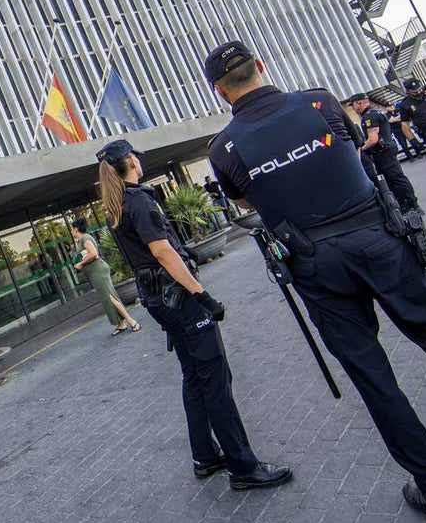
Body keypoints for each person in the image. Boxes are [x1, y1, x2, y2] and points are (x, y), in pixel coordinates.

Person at [204, 39, 426, 523]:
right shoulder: (319, 102)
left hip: (315, 264)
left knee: (376, 382)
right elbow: (350, 153)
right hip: (379, 239)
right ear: (261, 67)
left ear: (221, 91)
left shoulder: (222, 147)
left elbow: (247, 202)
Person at [96, 138, 293, 490]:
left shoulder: (118, 204)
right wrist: (202, 295)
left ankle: (205, 455)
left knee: (194, 376)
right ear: (129, 161)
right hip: (179, 299)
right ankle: (243, 466)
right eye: (136, 155)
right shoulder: (139, 201)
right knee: (215, 378)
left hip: (158, 300)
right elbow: (163, 252)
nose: (140, 159)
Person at [348, 92, 420, 211]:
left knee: (396, 178)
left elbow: (373, 139)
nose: (354, 108)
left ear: (359, 103)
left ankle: (412, 204)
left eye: (353, 105)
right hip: (384, 151)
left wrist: (362, 149)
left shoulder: (369, 116)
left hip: (384, 152)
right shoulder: (375, 112)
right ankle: (404, 204)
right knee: (391, 180)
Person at [69, 217, 141, 336]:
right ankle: (120, 324)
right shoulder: (80, 240)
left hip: (99, 272)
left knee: (110, 297)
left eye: (72, 229)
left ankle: (132, 321)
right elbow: (82, 253)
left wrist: (81, 264)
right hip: (94, 273)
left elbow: (93, 253)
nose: (71, 231)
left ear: (76, 229)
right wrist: (76, 240)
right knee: (106, 298)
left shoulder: (86, 238)